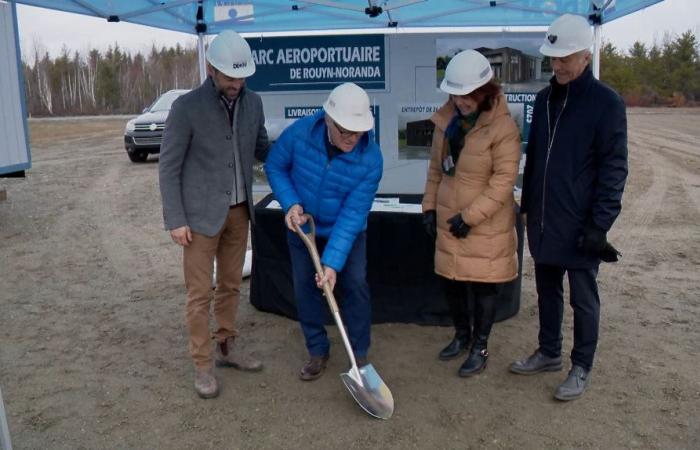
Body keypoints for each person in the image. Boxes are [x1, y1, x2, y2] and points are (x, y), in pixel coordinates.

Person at [510, 14, 628, 401]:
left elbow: (614, 168)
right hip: (544, 218)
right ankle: (548, 352)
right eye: (554, 58)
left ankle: (582, 364)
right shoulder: (543, 100)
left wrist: (600, 225)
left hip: (581, 223)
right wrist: (527, 205)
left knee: (583, 296)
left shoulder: (606, 103)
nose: (557, 65)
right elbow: (536, 156)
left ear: (586, 56)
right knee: (546, 290)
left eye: (565, 58)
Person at [159, 30, 269, 399]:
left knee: (232, 285)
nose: (237, 83)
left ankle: (226, 347)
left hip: (240, 213)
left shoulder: (254, 103)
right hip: (199, 219)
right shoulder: (186, 108)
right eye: (230, 77)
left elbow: (263, 148)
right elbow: (168, 167)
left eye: (241, 77)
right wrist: (175, 219)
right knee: (198, 294)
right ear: (211, 69)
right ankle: (203, 364)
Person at [264, 82, 383, 381]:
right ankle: (317, 350)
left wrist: (331, 264)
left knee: (354, 283)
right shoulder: (301, 133)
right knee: (305, 285)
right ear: (328, 120)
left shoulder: (371, 160)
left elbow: (353, 214)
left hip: (346, 229)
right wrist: (291, 204)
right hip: (303, 226)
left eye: (358, 131)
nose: (352, 138)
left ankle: (359, 354)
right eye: (345, 131)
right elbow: (275, 166)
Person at [422, 50, 521, 377]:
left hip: (484, 222)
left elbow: (504, 180)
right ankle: (461, 335)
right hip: (450, 216)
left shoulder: (503, 127)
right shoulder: (445, 121)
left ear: (483, 92)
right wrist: (429, 206)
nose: (459, 101)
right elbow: (436, 170)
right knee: (451, 280)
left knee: (482, 286)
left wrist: (471, 217)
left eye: (466, 95)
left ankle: (480, 345)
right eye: (455, 93)